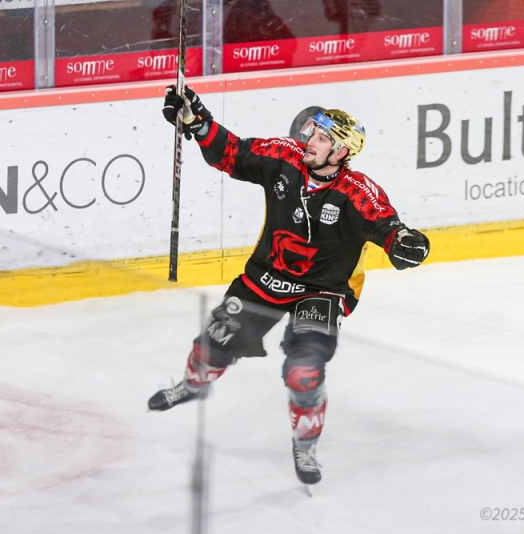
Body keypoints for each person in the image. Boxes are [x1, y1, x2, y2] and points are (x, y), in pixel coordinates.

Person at [148, 86, 430, 485]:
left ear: (340, 153)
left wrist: (404, 243)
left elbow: (387, 227)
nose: (308, 141)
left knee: (304, 371)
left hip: (323, 290)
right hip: (265, 276)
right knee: (212, 342)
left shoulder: (357, 191)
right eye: (311, 133)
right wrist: (196, 122)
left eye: (320, 138)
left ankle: (306, 443)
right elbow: (231, 153)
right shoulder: (284, 157)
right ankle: (194, 386)